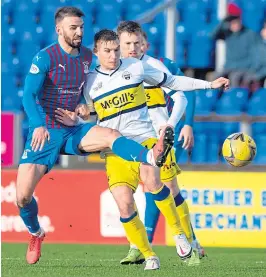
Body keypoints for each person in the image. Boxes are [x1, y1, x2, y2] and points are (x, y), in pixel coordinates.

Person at [17, 7, 179, 265]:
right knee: (22, 197)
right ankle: (36, 233)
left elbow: (97, 84)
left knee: (111, 134)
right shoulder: (45, 57)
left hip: (74, 128)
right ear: (59, 29)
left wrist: (83, 106)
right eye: (73, 27)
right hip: (46, 133)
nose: (79, 31)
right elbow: (27, 95)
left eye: (81, 26)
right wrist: (37, 124)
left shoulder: (87, 57)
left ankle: (148, 155)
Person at [55, 29, 229, 270]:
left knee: (153, 181)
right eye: (108, 51)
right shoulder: (89, 81)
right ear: (96, 52)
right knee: (124, 203)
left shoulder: (136, 67)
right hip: (114, 148)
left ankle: (179, 234)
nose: (114, 55)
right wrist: (81, 115)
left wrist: (209, 84)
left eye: (116, 49)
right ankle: (148, 254)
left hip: (145, 139)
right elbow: (89, 113)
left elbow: (173, 82)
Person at [117, 21, 204, 265]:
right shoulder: (117, 69)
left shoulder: (158, 66)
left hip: (158, 139)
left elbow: (185, 92)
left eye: (138, 43)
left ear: (145, 44)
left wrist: (184, 124)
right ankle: (145, 245)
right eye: (129, 44)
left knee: (164, 188)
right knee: (152, 190)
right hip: (132, 139)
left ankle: (187, 242)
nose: (134, 47)